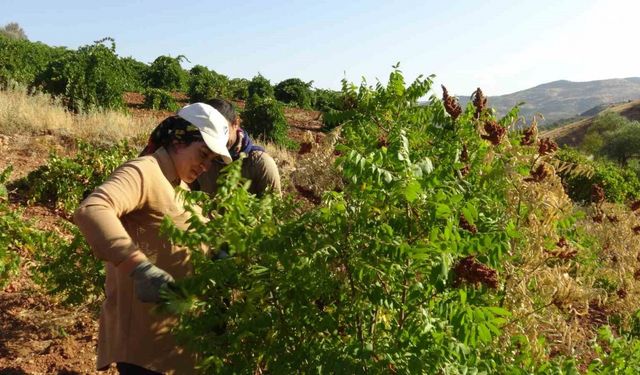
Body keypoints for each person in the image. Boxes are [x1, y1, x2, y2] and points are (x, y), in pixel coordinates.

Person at [73, 103, 232, 375]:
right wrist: (138, 267)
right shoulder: (145, 171)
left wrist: (215, 254)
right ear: (179, 140)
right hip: (144, 349)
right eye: (203, 154)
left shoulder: (179, 185)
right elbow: (92, 209)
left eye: (211, 160)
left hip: (173, 344)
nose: (206, 166)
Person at [195, 98, 281, 197]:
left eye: (222, 131)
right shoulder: (198, 158)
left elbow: (274, 208)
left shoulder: (260, 164)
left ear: (235, 123)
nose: (216, 140)